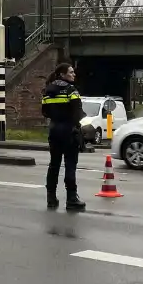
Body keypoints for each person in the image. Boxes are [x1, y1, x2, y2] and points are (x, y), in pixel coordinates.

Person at [41, 62, 85, 211]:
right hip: (69, 131)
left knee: (54, 165)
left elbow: (45, 112)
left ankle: (51, 198)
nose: (74, 75)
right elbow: (77, 112)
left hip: (54, 130)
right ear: (62, 74)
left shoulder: (48, 90)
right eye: (71, 72)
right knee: (70, 164)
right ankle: (72, 198)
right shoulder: (71, 90)